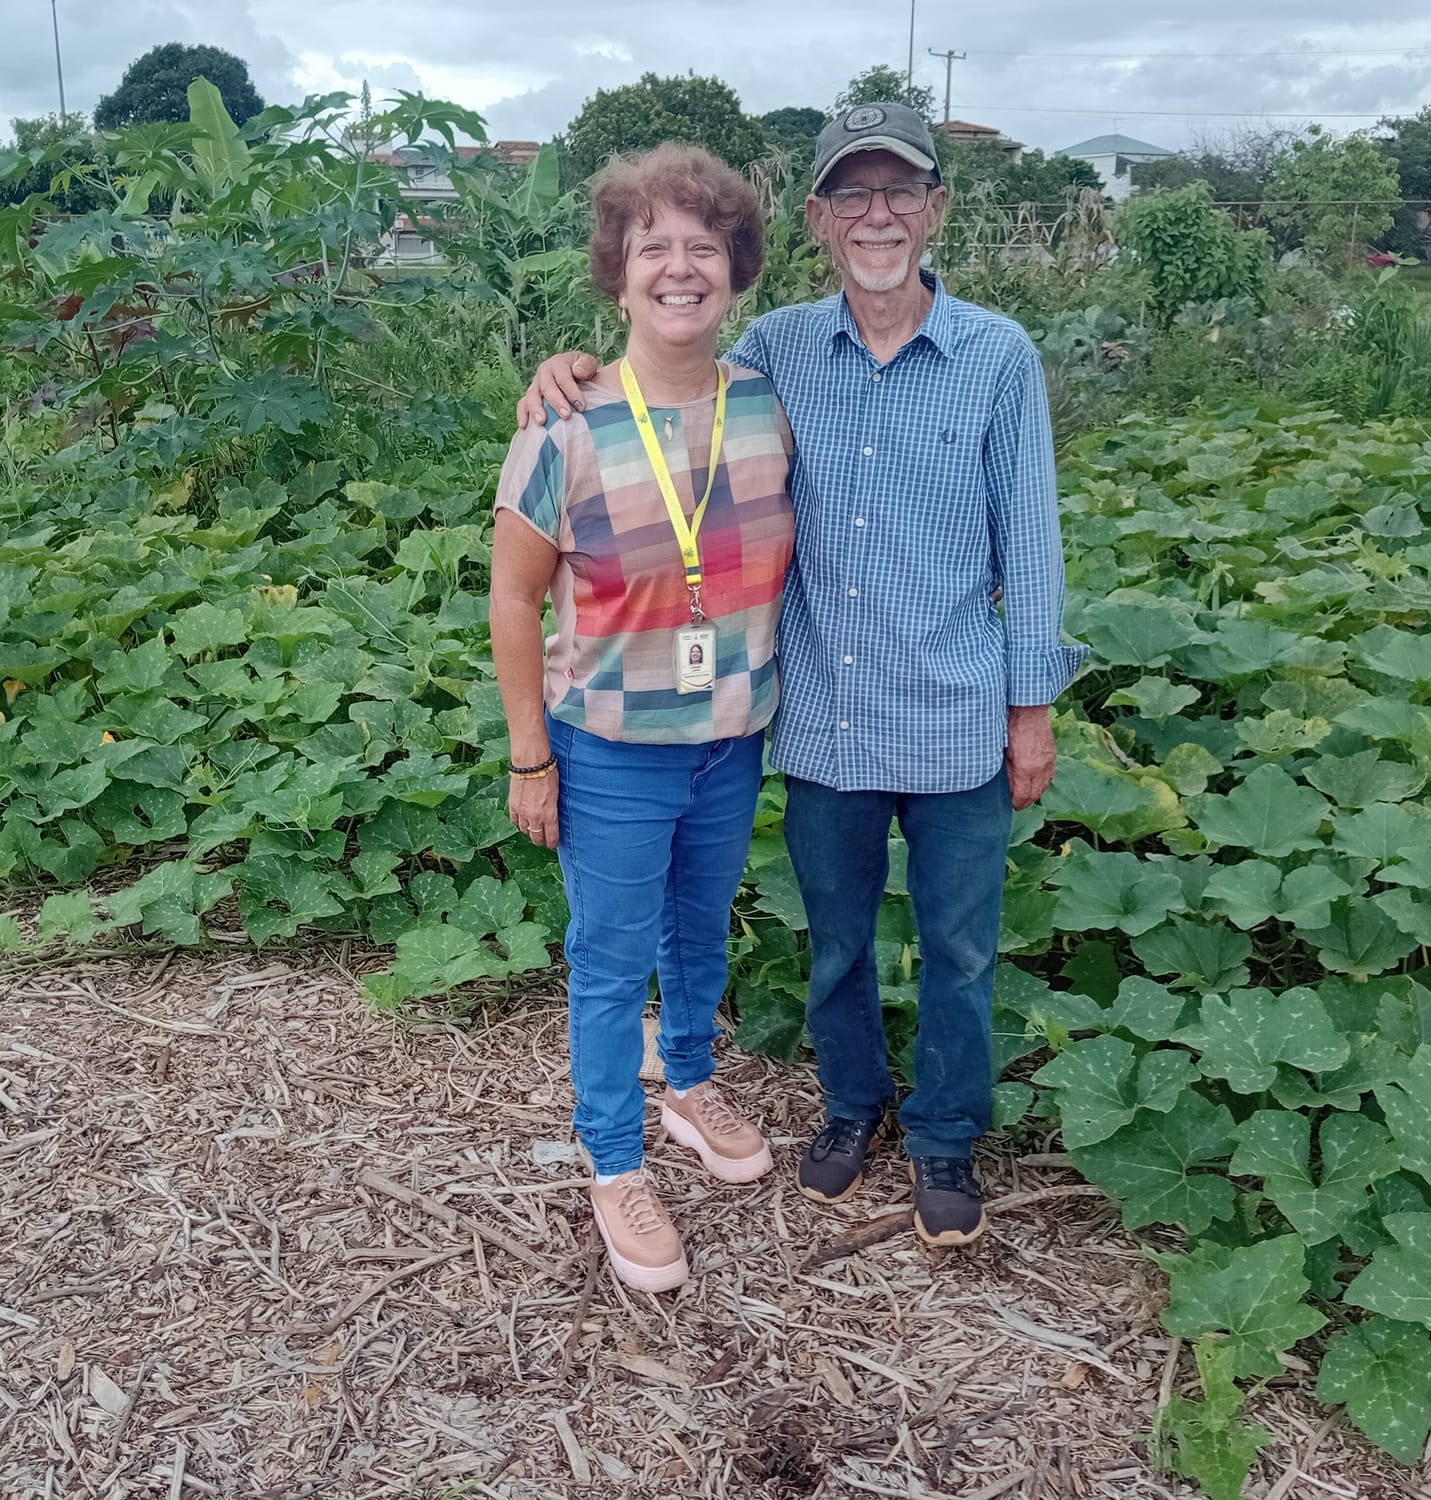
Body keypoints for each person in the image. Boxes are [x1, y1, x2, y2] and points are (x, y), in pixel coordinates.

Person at [521, 105, 1087, 1248]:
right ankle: (848, 1109)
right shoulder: (773, 350)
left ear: (934, 209)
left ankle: (941, 1139)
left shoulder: (995, 356)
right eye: (853, 196)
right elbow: (664, 366)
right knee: (836, 941)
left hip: (957, 715)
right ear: (821, 219)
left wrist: (1031, 712)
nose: (878, 215)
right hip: (822, 720)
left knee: (962, 946)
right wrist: (564, 368)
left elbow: (1030, 542)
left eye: (901, 192)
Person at [489, 143, 797, 1293]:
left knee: (700, 929)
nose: (678, 269)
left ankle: (689, 1081)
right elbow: (512, 598)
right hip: (610, 747)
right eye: (651, 247)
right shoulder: (561, 426)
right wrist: (531, 758)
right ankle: (612, 1156)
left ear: (737, 271)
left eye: (702, 248)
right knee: (611, 962)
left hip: (729, 734)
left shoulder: (765, 403)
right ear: (616, 273)